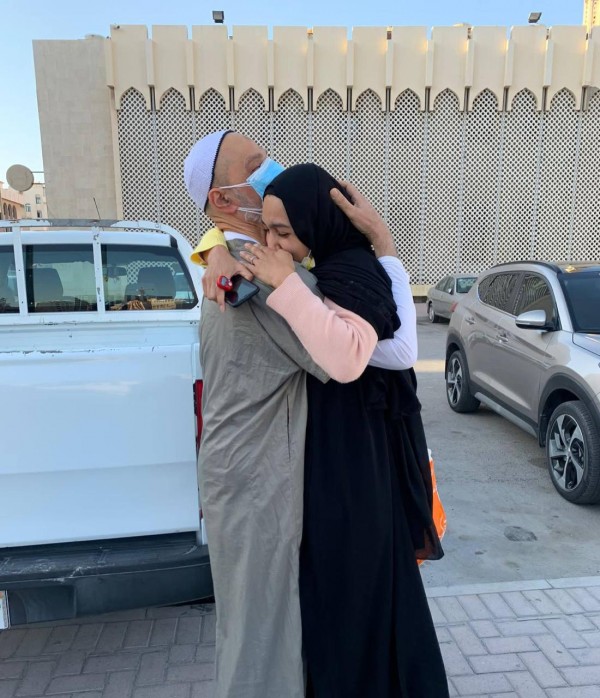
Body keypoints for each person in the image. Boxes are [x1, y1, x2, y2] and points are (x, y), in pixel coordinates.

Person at [183, 131, 418, 698]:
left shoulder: (236, 260)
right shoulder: (257, 275)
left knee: (254, 628)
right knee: (260, 640)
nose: (271, 168)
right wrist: (384, 245)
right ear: (222, 199)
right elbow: (373, 350)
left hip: (244, 473)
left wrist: (213, 244)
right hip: (255, 480)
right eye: (255, 164)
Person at [238, 163, 448, 697]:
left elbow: (383, 353)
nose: (272, 242)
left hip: (354, 461)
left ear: (317, 220)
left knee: (353, 585)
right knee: (354, 587)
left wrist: (379, 247)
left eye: (283, 231)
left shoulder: (352, 269)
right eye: (266, 229)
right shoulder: (330, 265)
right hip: (345, 450)